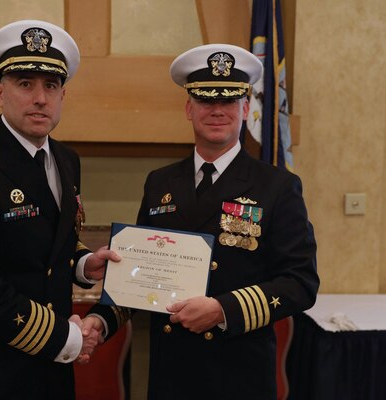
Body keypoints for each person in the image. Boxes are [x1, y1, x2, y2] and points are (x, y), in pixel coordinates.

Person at [84, 43, 319, 399]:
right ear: (188, 108)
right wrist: (100, 321)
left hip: (238, 373)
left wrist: (222, 310)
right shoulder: (160, 182)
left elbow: (300, 282)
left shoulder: (277, 186)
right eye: (207, 100)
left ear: (244, 107)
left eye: (228, 100)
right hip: (171, 373)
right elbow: (137, 273)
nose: (217, 110)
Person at [0, 20, 119, 399]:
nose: (40, 98)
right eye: (25, 84)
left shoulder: (66, 160)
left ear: (63, 94)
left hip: (52, 375)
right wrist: (68, 337)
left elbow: (47, 244)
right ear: (0, 92)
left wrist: (82, 265)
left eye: (51, 86)